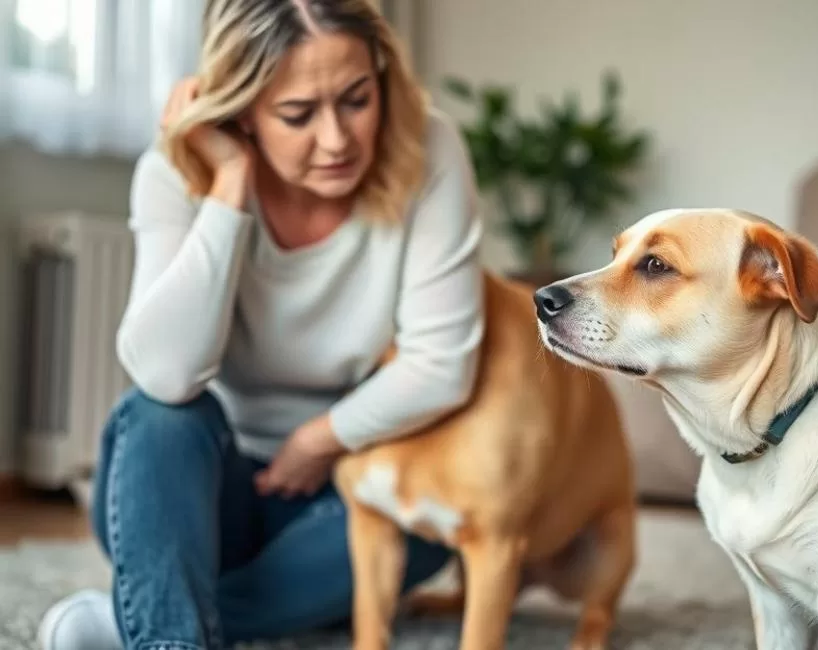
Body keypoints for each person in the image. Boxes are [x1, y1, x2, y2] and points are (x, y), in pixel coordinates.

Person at [37, 0, 485, 648]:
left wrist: (317, 442)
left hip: (346, 492)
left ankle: (138, 620)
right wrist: (230, 185)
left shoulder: (428, 145)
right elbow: (164, 375)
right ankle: (176, 629)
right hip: (197, 499)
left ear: (382, 76)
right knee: (159, 416)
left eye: (357, 99)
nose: (336, 139)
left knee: (425, 527)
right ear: (240, 108)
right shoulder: (173, 172)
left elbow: (443, 364)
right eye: (298, 114)